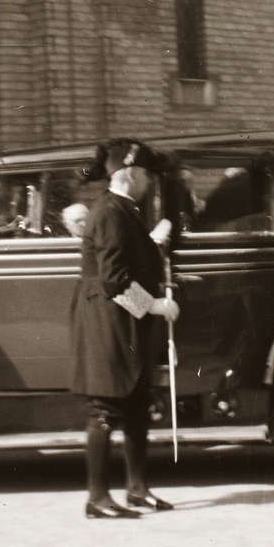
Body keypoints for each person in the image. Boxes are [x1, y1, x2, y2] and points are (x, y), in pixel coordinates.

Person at [71, 139, 179, 518]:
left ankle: (137, 490)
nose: (149, 181)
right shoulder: (111, 212)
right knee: (104, 407)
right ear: (130, 173)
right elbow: (115, 280)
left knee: (134, 404)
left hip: (118, 321)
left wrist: (151, 241)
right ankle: (97, 498)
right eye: (146, 174)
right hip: (108, 322)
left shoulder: (119, 209)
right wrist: (155, 306)